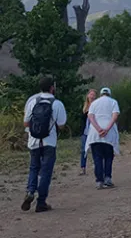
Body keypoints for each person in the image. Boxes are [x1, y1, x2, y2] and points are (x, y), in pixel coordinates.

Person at [21, 76, 67, 213]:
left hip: (33, 141)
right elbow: (61, 124)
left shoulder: (32, 101)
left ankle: (30, 191)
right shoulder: (57, 103)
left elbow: (25, 123)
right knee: (46, 172)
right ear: (52, 88)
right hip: (49, 142)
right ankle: (41, 202)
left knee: (34, 167)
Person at [84, 87, 121, 189]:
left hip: (95, 134)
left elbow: (90, 116)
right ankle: (107, 178)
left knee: (97, 157)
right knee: (109, 156)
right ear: (109, 94)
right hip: (109, 134)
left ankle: (99, 181)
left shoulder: (95, 103)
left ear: (100, 94)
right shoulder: (113, 102)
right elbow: (115, 116)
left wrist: (98, 129)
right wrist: (107, 129)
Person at [79, 89, 97, 176]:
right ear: (88, 95)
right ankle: (83, 168)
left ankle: (96, 166)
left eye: (94, 95)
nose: (92, 96)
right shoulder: (85, 106)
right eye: (91, 94)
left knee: (94, 149)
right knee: (83, 150)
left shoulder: (97, 106)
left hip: (94, 131)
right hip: (85, 131)